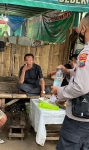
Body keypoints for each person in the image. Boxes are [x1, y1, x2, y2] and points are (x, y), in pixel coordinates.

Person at [51, 12, 89, 150]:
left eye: (79, 27)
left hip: (79, 120)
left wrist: (58, 92)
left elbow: (81, 87)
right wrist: (69, 71)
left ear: (84, 28)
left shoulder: (86, 53)